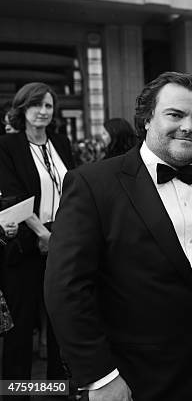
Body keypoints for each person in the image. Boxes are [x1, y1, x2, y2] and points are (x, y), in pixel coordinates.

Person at [45, 72, 192, 401]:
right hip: (131, 378)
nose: (189, 126)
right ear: (146, 119)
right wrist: (99, 377)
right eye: (175, 114)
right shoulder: (94, 184)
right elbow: (66, 288)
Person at [0, 83, 74, 394]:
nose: (43, 111)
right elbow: (15, 195)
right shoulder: (8, 145)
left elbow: (73, 186)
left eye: (48, 105)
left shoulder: (61, 141)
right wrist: (43, 235)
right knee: (20, 331)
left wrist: (63, 236)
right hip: (26, 246)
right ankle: (16, 393)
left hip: (63, 242)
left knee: (62, 325)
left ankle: (59, 391)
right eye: (36, 105)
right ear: (22, 109)